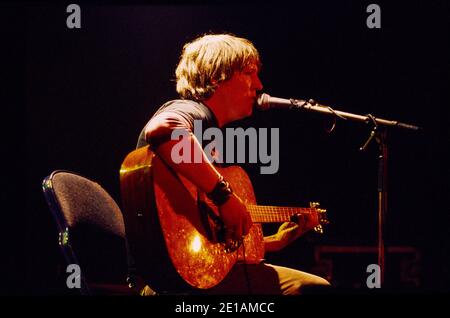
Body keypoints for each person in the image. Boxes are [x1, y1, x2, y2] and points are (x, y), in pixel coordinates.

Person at [136, 33, 330, 295]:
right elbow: (163, 128)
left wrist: (274, 242)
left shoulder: (208, 141)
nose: (259, 85)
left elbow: (206, 243)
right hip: (176, 282)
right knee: (311, 288)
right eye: (250, 73)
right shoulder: (194, 112)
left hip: (187, 274)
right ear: (218, 76)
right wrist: (224, 196)